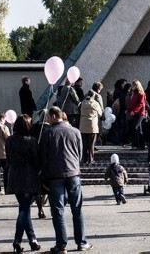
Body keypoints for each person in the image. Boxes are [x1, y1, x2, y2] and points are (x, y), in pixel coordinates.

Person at [38, 106, 91, 253]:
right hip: (73, 173)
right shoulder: (75, 131)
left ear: (54, 116)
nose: (47, 120)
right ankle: (81, 242)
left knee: (58, 211)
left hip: (55, 176)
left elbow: (42, 156)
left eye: (48, 117)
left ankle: (61, 245)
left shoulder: (48, 133)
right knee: (77, 209)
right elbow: (80, 154)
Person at [5, 114, 42, 253]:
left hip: (14, 177)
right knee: (24, 210)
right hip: (28, 178)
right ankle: (17, 240)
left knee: (24, 209)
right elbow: (36, 162)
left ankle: (33, 239)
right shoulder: (31, 141)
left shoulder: (9, 140)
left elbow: (8, 158)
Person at [79, 88, 103, 164]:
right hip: (92, 125)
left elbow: (79, 111)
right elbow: (100, 113)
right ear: (93, 96)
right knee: (91, 144)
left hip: (83, 125)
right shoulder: (96, 104)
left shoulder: (82, 103)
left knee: (84, 143)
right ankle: (90, 159)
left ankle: (84, 159)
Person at [127, 80, 148, 150]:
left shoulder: (141, 93)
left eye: (134, 85)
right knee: (139, 129)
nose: (132, 87)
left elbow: (141, 104)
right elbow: (132, 103)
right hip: (136, 113)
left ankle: (136, 144)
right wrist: (129, 110)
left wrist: (134, 111)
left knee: (135, 127)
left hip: (140, 113)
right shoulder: (134, 93)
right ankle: (141, 145)